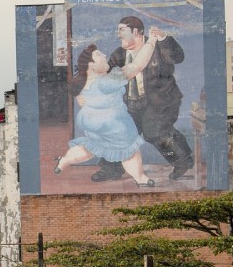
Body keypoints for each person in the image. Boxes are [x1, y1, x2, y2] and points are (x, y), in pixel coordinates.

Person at [54, 42, 157, 187]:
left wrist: (79, 99)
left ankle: (65, 160)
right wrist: (151, 42)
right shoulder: (107, 81)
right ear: (91, 65)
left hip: (92, 125)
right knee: (129, 150)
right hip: (114, 125)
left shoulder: (83, 84)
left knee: (91, 147)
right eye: (98, 55)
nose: (104, 56)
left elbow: (79, 94)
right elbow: (137, 65)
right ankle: (140, 177)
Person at [108, 16, 194, 181]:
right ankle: (110, 169)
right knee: (119, 132)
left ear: (136, 32)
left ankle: (183, 161)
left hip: (161, 100)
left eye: (121, 30)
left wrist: (163, 38)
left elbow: (178, 57)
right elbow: (108, 75)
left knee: (154, 131)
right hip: (131, 103)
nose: (118, 34)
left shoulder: (158, 46)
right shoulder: (119, 54)